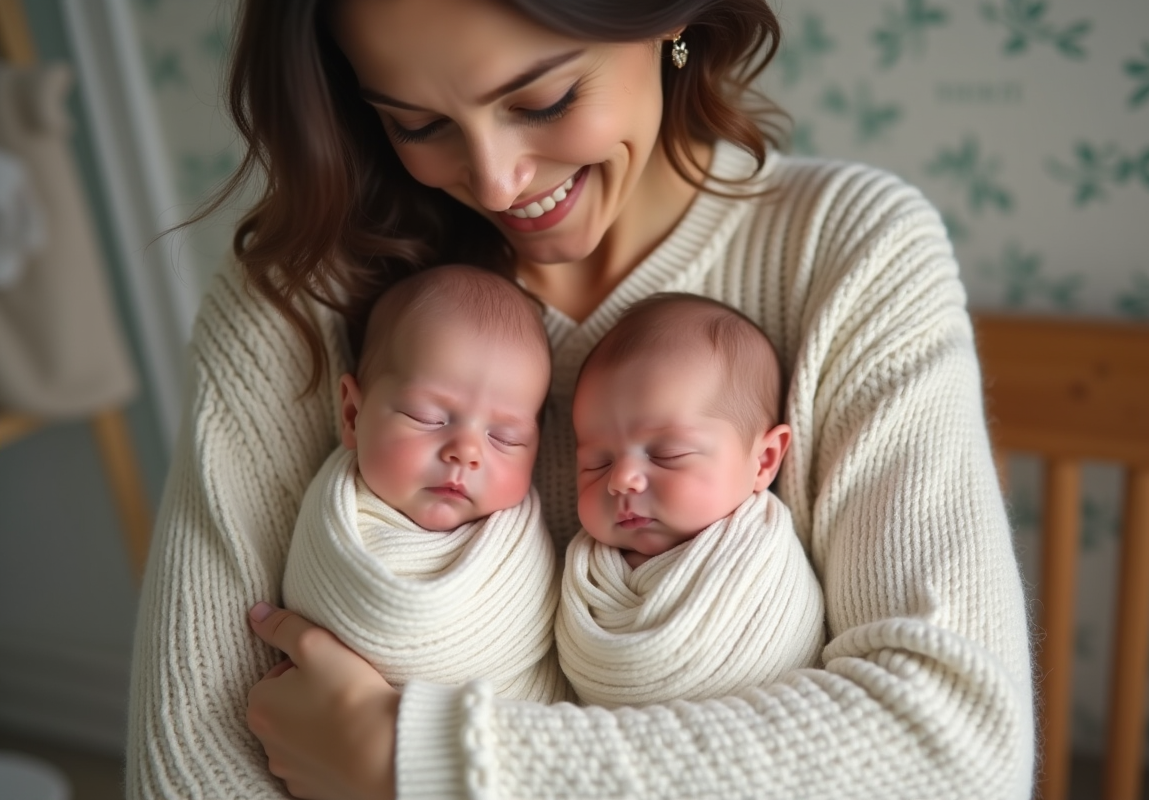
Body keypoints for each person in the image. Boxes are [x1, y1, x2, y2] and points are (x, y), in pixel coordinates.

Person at [124, 0, 1036, 797]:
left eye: (545, 100)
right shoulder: (302, 292)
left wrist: (418, 764)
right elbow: (186, 768)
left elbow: (955, 749)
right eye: (419, 123)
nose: (495, 179)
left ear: (665, 22)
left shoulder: (847, 251)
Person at [281, 264, 566, 704]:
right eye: (427, 417)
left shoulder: (522, 547)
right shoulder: (333, 517)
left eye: (505, 438)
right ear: (353, 415)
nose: (466, 452)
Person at [556, 293, 825, 708]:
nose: (620, 480)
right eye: (597, 463)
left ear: (764, 460)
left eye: (668, 454)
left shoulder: (759, 556)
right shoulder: (590, 579)